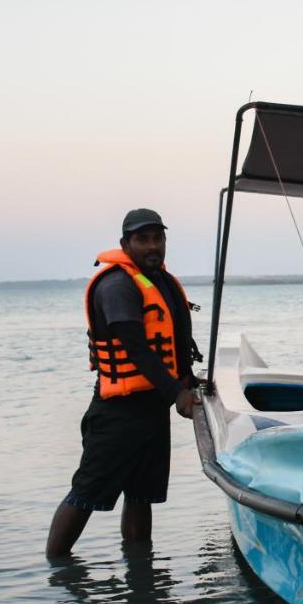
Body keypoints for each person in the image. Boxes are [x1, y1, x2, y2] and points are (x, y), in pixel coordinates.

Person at [46, 208, 199, 558]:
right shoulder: (117, 285)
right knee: (85, 494)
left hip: (153, 410)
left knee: (141, 496)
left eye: (157, 238)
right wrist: (177, 392)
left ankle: (142, 577)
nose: (152, 246)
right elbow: (138, 350)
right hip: (117, 413)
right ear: (125, 244)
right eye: (142, 239)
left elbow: (174, 345)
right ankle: (57, 571)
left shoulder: (163, 281)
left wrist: (187, 379)